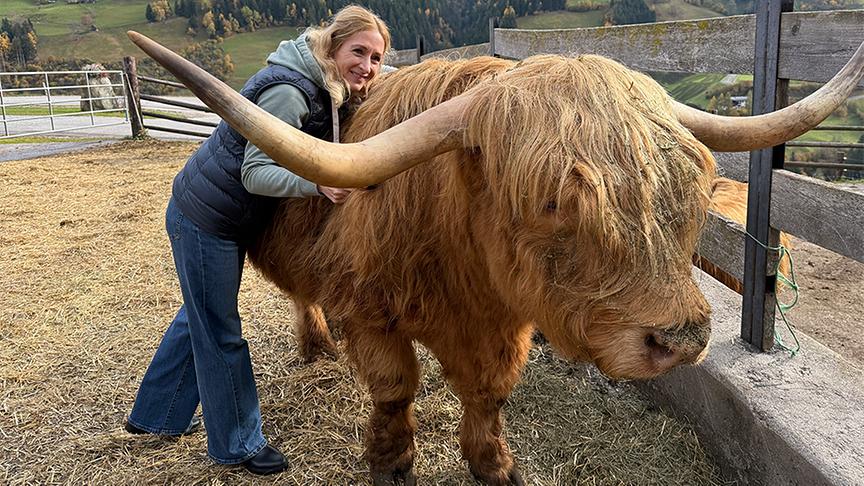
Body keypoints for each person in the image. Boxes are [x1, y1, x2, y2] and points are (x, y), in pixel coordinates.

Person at [124, 6, 390, 476]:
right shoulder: (292, 91)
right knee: (219, 330)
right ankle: (238, 445)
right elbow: (254, 172)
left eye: (376, 58)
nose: (367, 66)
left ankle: (156, 415)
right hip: (207, 217)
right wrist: (316, 184)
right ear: (332, 45)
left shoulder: (327, 84)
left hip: (229, 215)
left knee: (200, 314)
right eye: (358, 51)